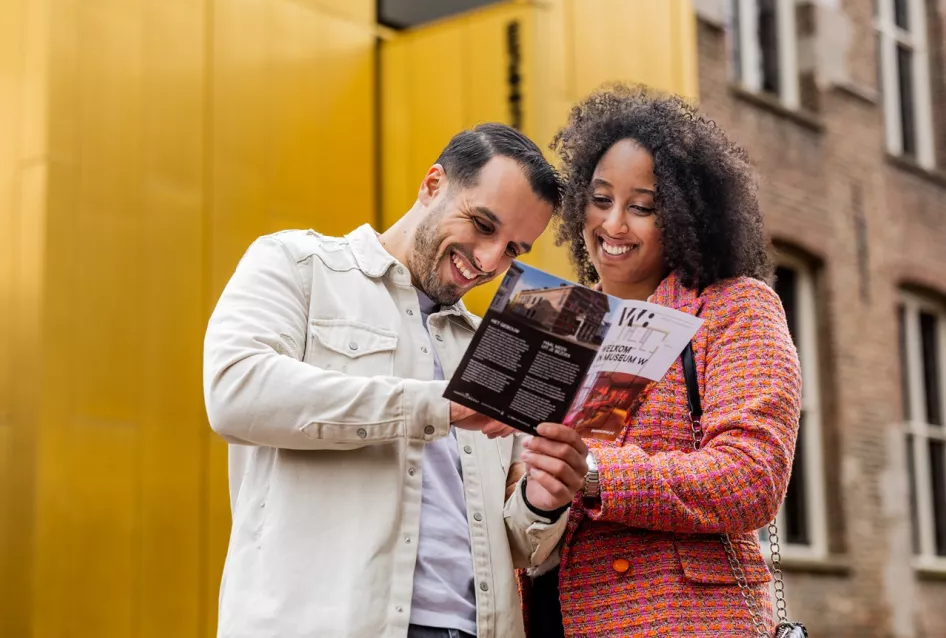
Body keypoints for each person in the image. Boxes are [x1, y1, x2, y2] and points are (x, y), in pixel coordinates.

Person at [203, 123, 589, 638]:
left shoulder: (495, 346)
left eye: (515, 249)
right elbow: (235, 392)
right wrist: (439, 407)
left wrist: (546, 496)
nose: (490, 260)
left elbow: (516, 544)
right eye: (482, 224)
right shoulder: (297, 265)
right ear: (433, 184)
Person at [521, 86, 802, 637]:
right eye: (600, 199)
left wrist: (595, 474)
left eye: (642, 207)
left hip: (676, 618)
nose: (614, 225)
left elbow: (752, 477)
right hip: (551, 613)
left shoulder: (732, 306)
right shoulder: (548, 317)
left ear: (686, 215)